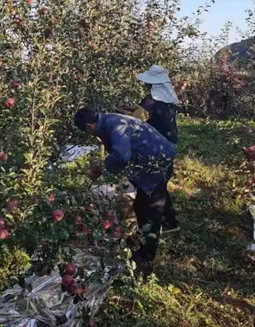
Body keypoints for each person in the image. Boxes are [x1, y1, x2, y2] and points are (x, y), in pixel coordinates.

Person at [73, 107, 177, 274]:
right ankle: (166, 224)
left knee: (147, 209)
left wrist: (102, 168)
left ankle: (146, 259)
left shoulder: (114, 125)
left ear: (88, 126)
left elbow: (122, 155)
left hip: (157, 161)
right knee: (147, 201)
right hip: (154, 157)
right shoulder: (108, 120)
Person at [121, 65, 180, 234]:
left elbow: (137, 120)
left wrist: (121, 114)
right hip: (170, 141)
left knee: (155, 184)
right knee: (162, 181)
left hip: (156, 145)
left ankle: (155, 222)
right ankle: (170, 220)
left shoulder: (151, 100)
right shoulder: (169, 98)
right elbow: (147, 115)